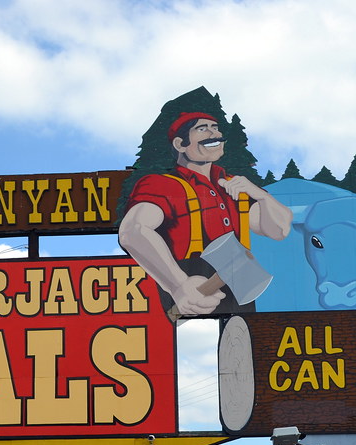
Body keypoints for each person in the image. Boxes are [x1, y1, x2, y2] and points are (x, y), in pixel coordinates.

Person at [119, 111, 293, 317]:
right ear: (180, 144)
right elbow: (133, 230)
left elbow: (279, 231)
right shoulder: (162, 184)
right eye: (202, 129)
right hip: (190, 294)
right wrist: (178, 284)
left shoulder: (232, 185)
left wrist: (262, 197)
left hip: (240, 294)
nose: (214, 134)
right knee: (183, 347)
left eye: (216, 128)